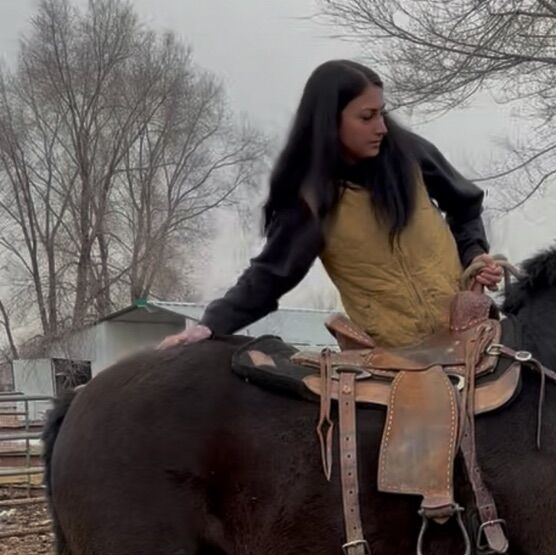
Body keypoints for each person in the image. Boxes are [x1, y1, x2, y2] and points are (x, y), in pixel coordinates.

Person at [160, 60, 503, 350]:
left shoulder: (409, 154)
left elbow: (466, 206)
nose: (382, 127)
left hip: (469, 335)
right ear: (329, 121)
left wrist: (474, 254)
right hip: (392, 358)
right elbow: (269, 276)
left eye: (381, 113)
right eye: (366, 117)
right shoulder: (311, 200)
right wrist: (210, 325)